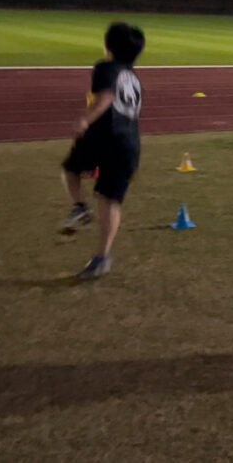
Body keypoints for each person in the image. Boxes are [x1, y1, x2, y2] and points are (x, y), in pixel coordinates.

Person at [59, 22, 145, 281]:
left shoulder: (106, 68)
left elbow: (105, 99)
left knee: (70, 169)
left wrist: (85, 119)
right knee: (110, 201)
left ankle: (79, 207)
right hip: (130, 143)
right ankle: (101, 257)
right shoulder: (133, 77)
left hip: (106, 138)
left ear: (109, 46)